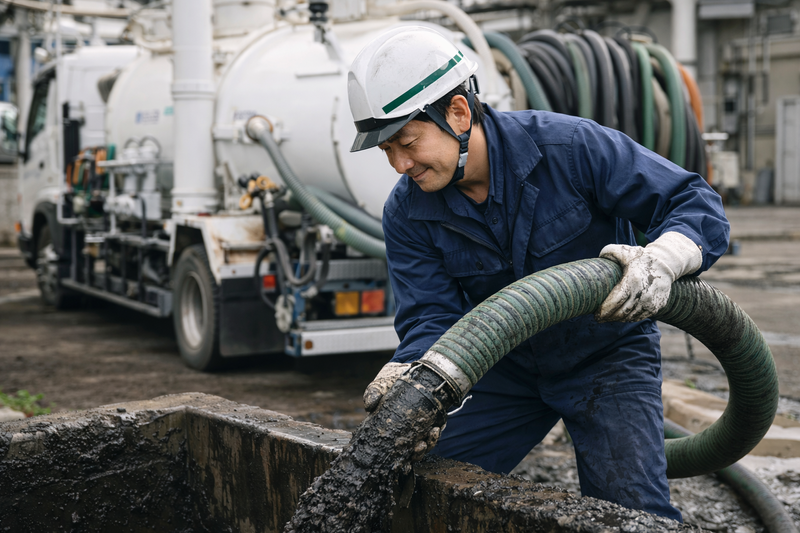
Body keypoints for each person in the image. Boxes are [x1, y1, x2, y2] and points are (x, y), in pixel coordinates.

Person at [347, 26, 729, 522]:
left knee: (631, 515)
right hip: (502, 367)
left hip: (606, 355)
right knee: (417, 490)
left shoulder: (569, 147)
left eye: (407, 141)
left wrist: (662, 259)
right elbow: (431, 315)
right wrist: (412, 374)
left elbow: (694, 202)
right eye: (386, 151)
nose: (400, 164)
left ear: (458, 112)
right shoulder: (406, 212)